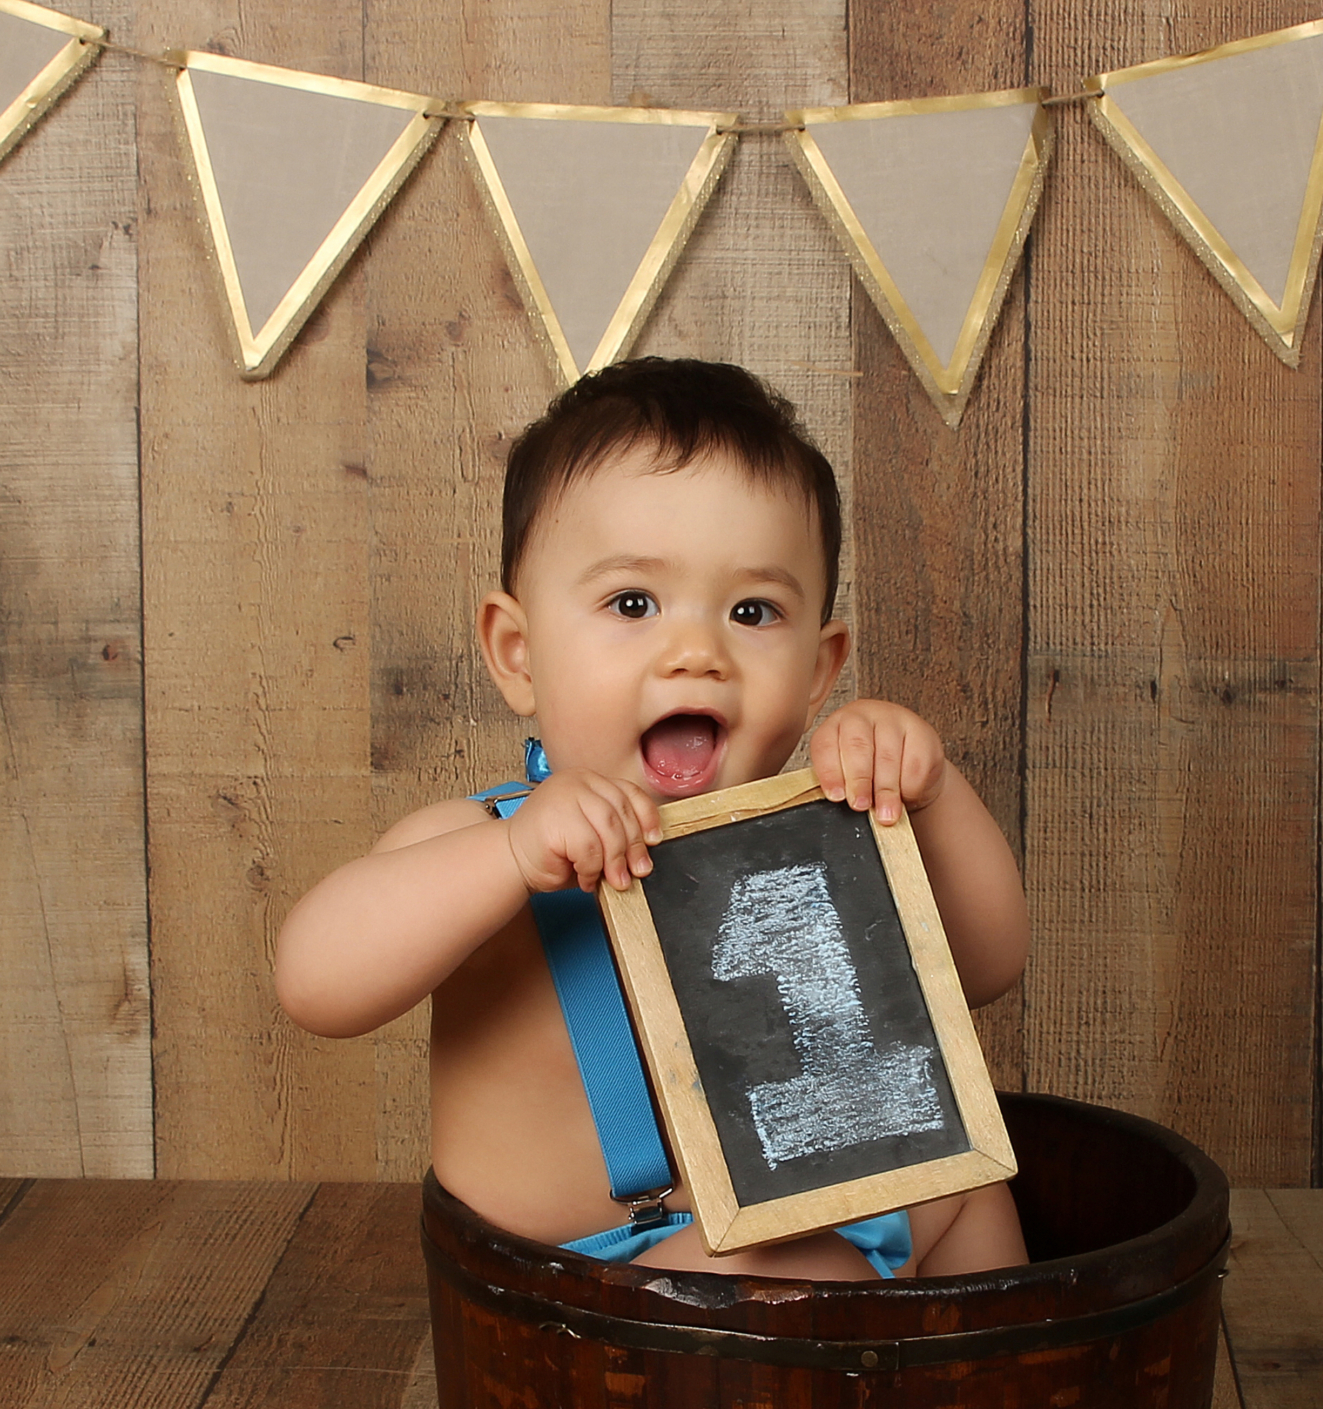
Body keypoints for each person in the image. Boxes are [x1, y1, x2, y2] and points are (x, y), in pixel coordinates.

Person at [275, 359, 1030, 1280]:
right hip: (604, 1277)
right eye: (633, 603)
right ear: (519, 654)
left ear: (820, 670)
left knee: (969, 1183)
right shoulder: (474, 846)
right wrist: (512, 856)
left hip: (828, 1213)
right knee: (803, 1277)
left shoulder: (829, 833)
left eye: (753, 611)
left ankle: (988, 1395)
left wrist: (932, 797)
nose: (696, 653)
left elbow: (990, 968)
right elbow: (314, 984)